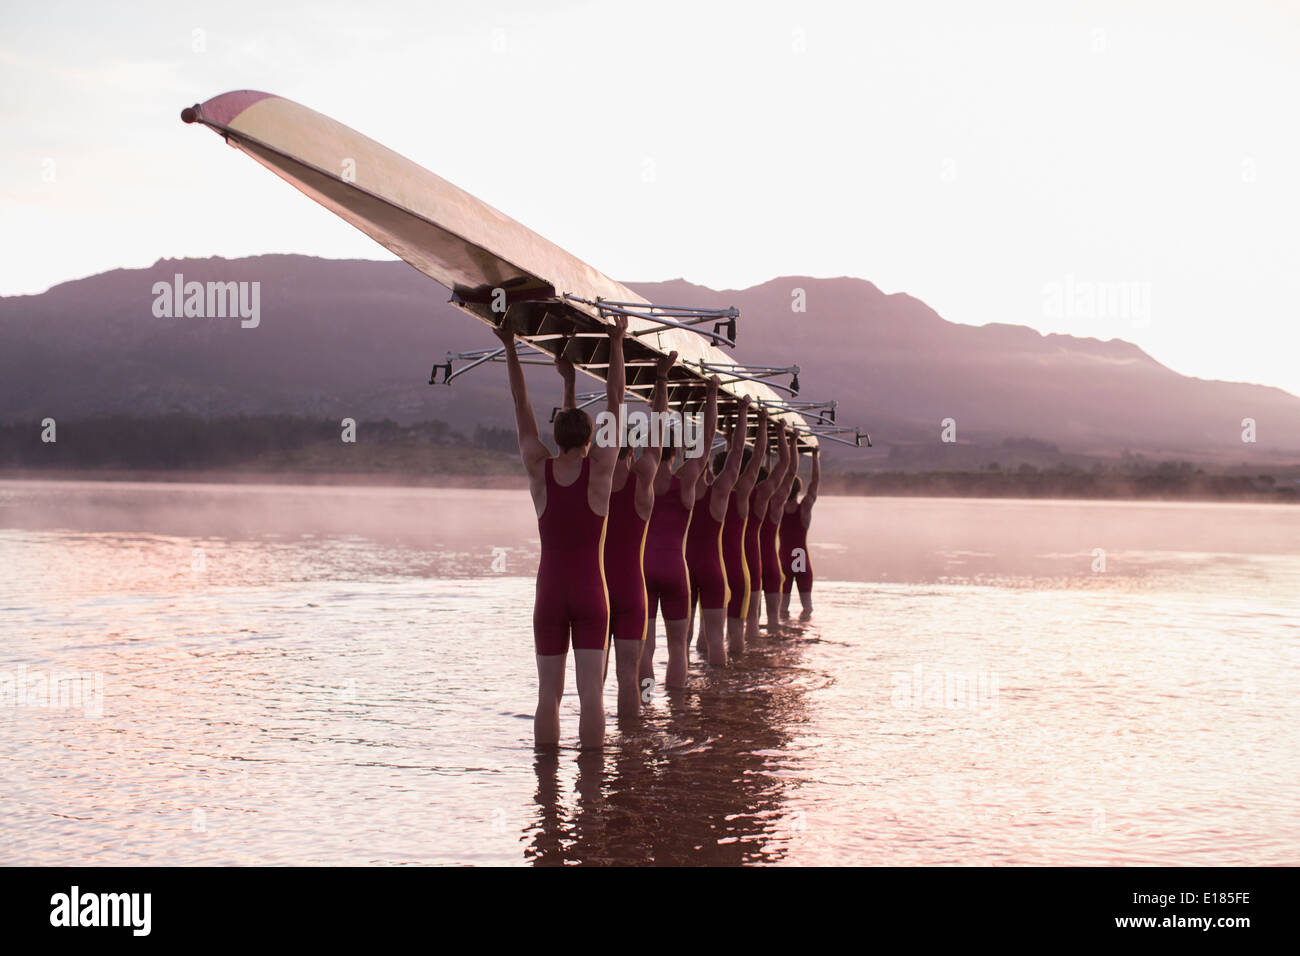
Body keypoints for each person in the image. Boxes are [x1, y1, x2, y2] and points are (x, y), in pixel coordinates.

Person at [494, 311, 627, 749]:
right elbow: (616, 401)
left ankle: (546, 799)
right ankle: (592, 796)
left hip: (549, 591)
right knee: (592, 696)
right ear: (592, 439)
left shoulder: (538, 466)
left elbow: (520, 405)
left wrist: (511, 345)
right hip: (592, 592)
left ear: (555, 435)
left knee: (547, 696)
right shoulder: (602, 468)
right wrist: (616, 341)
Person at [601, 349, 677, 719]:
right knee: (629, 676)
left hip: (596, 587)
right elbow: (658, 430)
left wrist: (569, 383)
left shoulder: (592, 481)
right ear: (634, 451)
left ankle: (593, 761)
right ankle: (633, 749)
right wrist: (661, 379)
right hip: (634, 588)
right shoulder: (643, 479)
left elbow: (613, 403)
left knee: (593, 683)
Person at [641, 373, 717, 690]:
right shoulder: (686, 482)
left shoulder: (640, 480)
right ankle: (677, 713)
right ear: (677, 454)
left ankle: (643, 712)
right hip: (675, 568)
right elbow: (708, 441)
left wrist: (660, 383)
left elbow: (657, 422)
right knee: (677, 648)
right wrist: (711, 394)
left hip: (642, 568)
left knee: (646, 648)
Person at [686, 391, 751, 667]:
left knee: (682, 643)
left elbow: (698, 443)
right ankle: (717, 699)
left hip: (684, 568)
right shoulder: (721, 493)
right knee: (715, 640)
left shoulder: (680, 487)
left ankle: (680, 705)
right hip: (713, 568)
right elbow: (737, 456)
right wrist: (743, 411)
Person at [719, 410, 767, 659]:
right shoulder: (743, 496)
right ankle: (735, 677)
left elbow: (730, 460)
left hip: (715, 569)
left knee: (707, 635)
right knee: (739, 635)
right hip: (739, 570)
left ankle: (700, 688)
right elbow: (755, 459)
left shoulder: (701, 487)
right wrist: (761, 425)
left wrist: (729, 436)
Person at [745, 418, 787, 645]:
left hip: (742, 561)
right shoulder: (770, 502)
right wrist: (783, 436)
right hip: (768, 561)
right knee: (772, 621)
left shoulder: (725, 493)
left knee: (744, 622)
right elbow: (785, 469)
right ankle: (763, 653)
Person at [763, 428, 798, 632]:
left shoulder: (738, 497)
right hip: (772, 562)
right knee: (774, 621)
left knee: (747, 622)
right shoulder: (776, 503)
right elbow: (789, 471)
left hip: (746, 563)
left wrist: (765, 454)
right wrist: (790, 442)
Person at [780, 444, 820, 621]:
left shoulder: (776, 508)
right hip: (801, 558)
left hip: (784, 559)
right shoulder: (804, 509)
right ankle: (803, 630)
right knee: (807, 607)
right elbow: (815, 483)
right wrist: (815, 457)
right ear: (798, 490)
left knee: (781, 609)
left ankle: (781, 634)